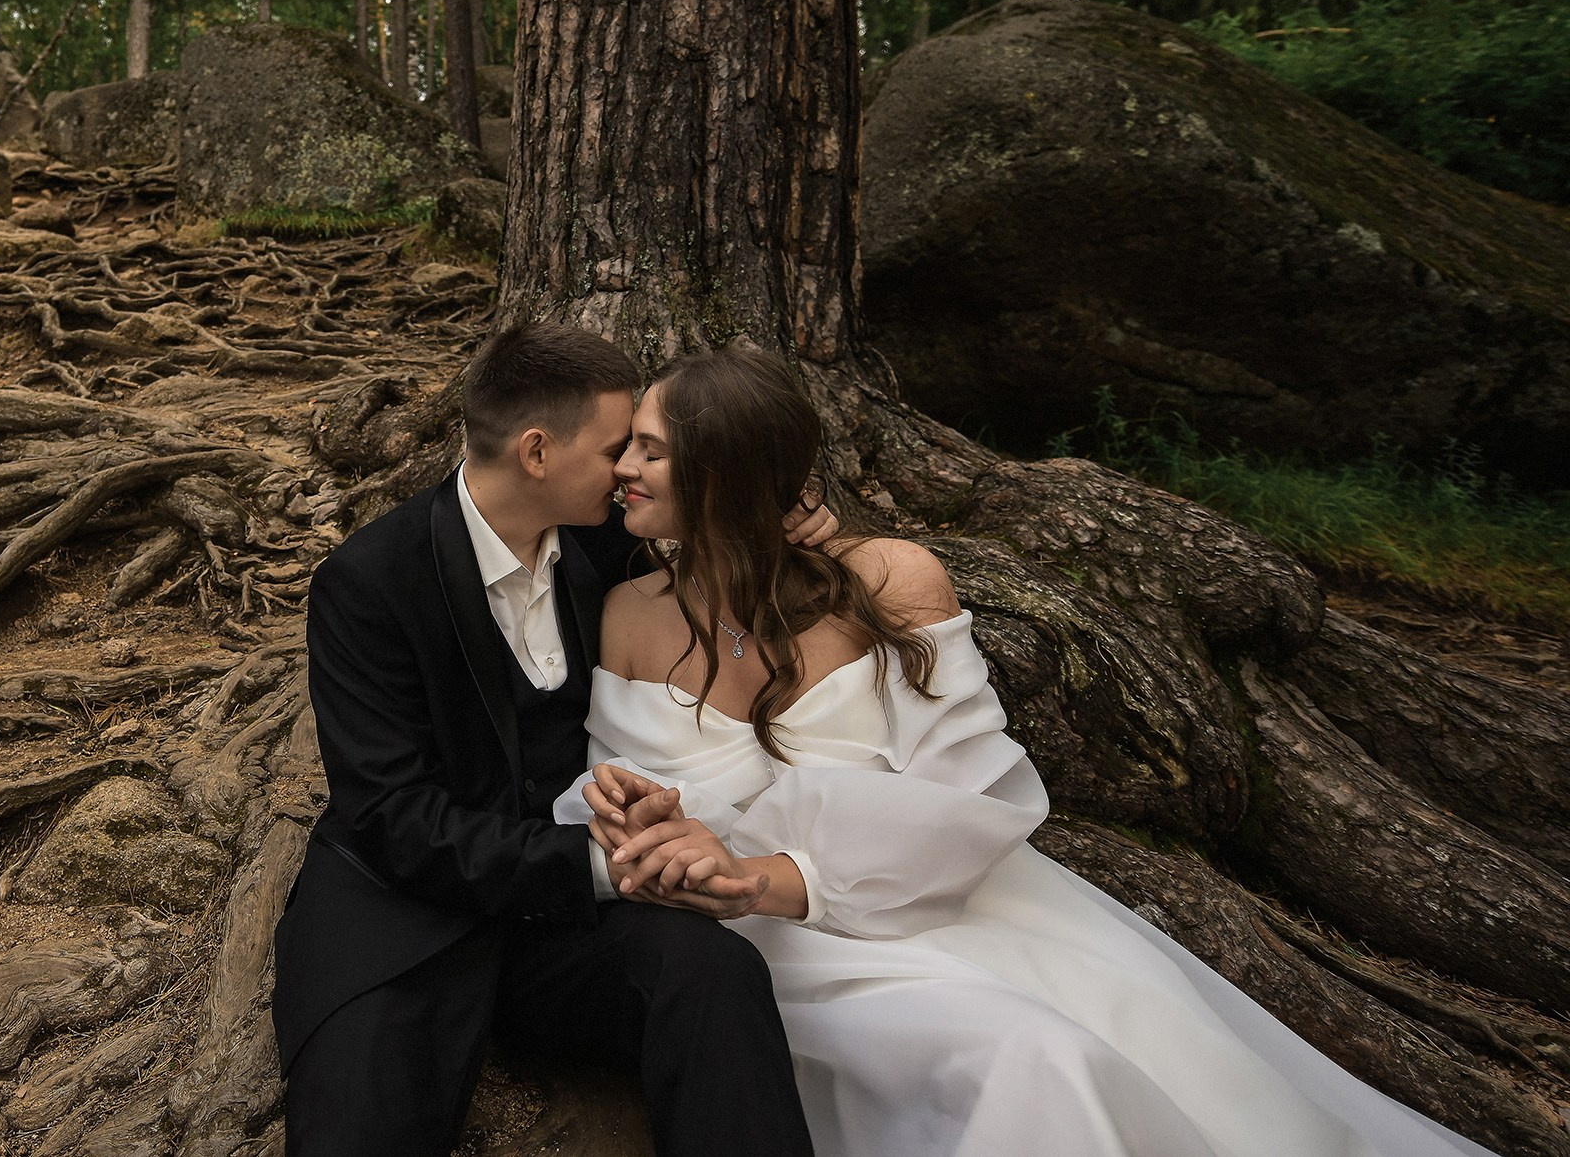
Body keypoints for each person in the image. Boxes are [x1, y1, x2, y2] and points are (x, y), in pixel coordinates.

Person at [573, 342, 1498, 1157]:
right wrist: (646, 828)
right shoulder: (625, 612)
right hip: (764, 951)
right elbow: (614, 792)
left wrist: (773, 872)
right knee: (1018, 1054)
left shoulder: (890, 578)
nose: (623, 464)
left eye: (651, 447)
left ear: (722, 471)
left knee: (1074, 1052)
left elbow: (976, 793)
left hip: (939, 903)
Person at [272, 323, 822, 1157]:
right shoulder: (368, 582)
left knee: (713, 974)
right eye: (615, 448)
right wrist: (605, 865)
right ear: (537, 452)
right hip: (411, 914)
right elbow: (393, 816)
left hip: (567, 933)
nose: (629, 470)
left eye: (642, 451)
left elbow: (724, 513)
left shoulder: (615, 538)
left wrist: (790, 521)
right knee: (354, 1128)